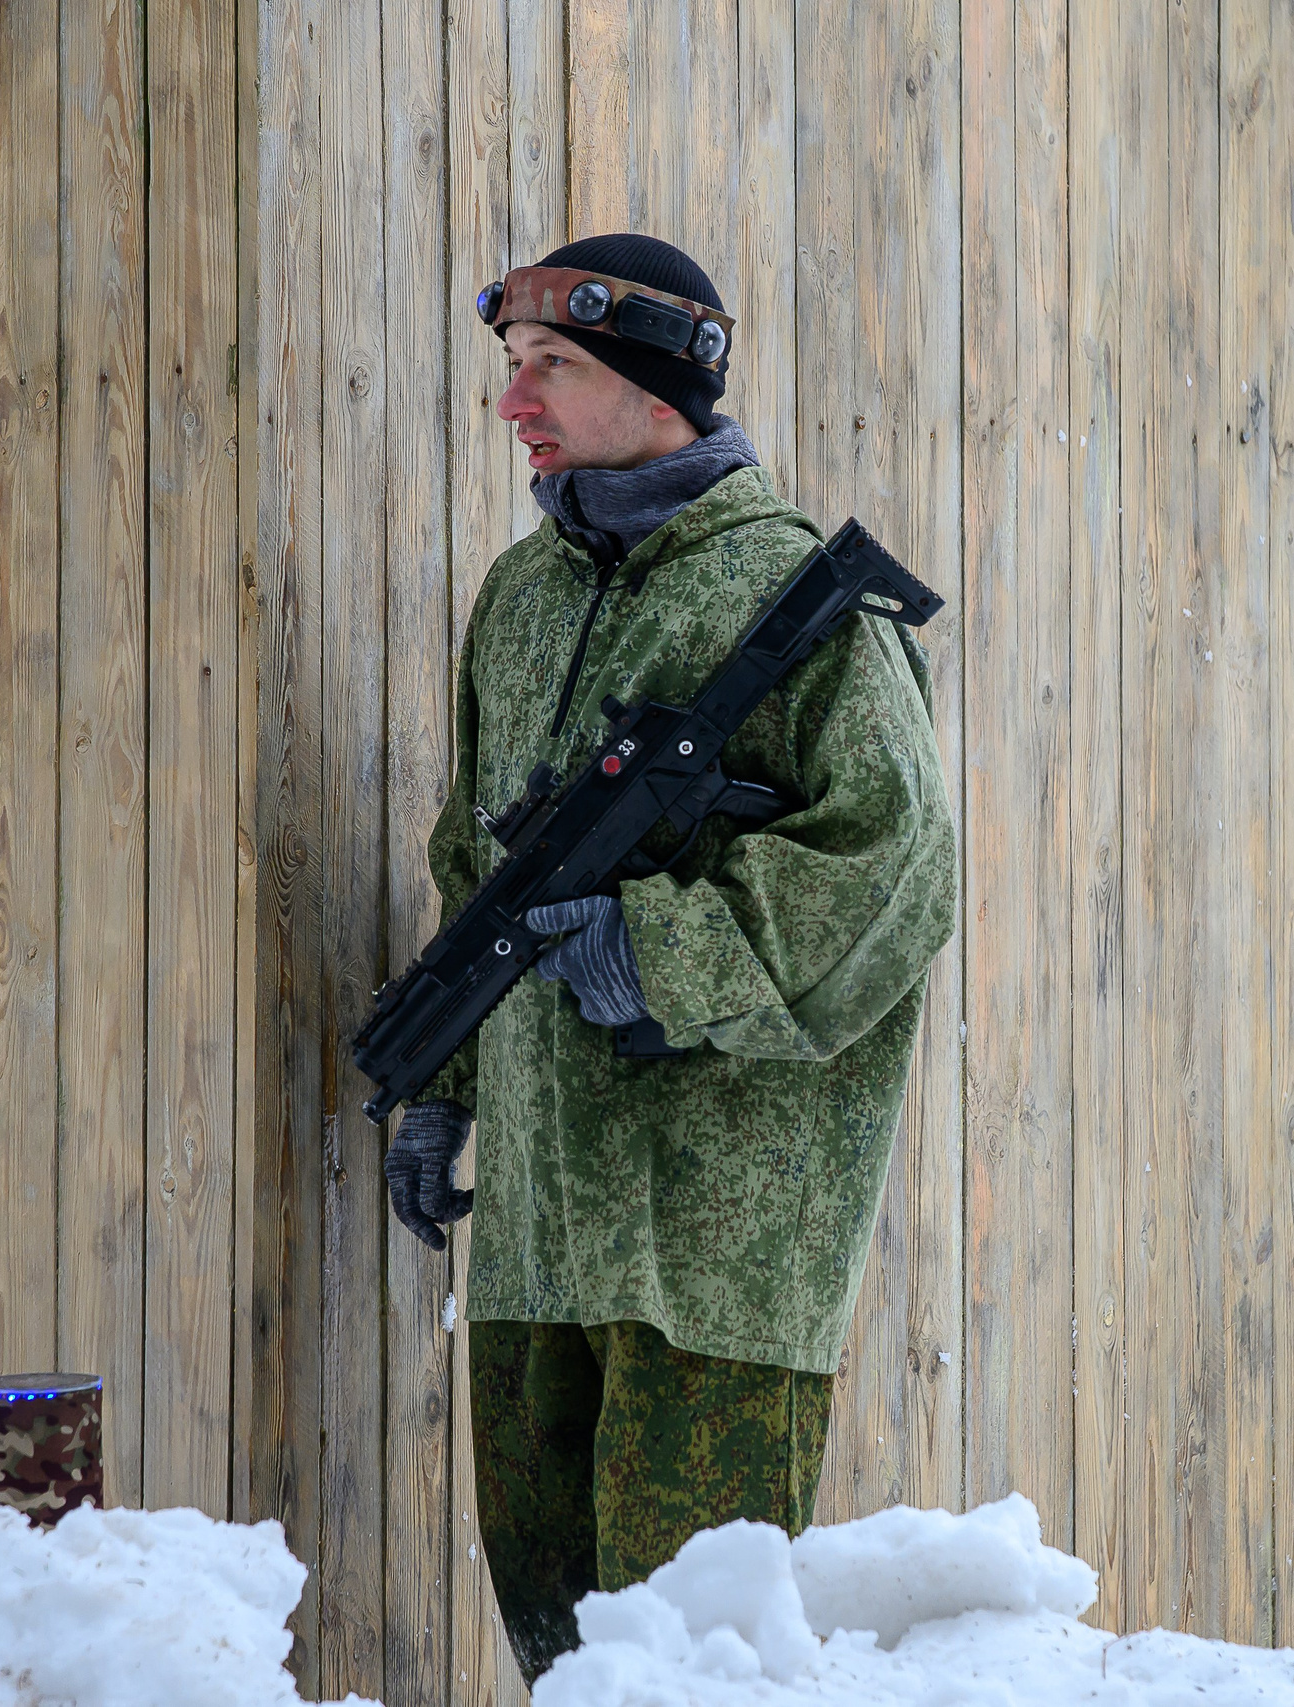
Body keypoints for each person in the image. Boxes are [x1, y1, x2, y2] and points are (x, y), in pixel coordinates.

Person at [382, 232, 956, 1684]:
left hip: (721, 1249)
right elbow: (476, 874)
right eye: (514, 371)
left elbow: (896, 868)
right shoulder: (523, 599)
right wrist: (443, 1080)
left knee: (693, 1665)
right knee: (555, 1641)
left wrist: (662, 950)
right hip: (540, 1235)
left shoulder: (789, 598)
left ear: (662, 392)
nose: (518, 404)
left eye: (553, 370)